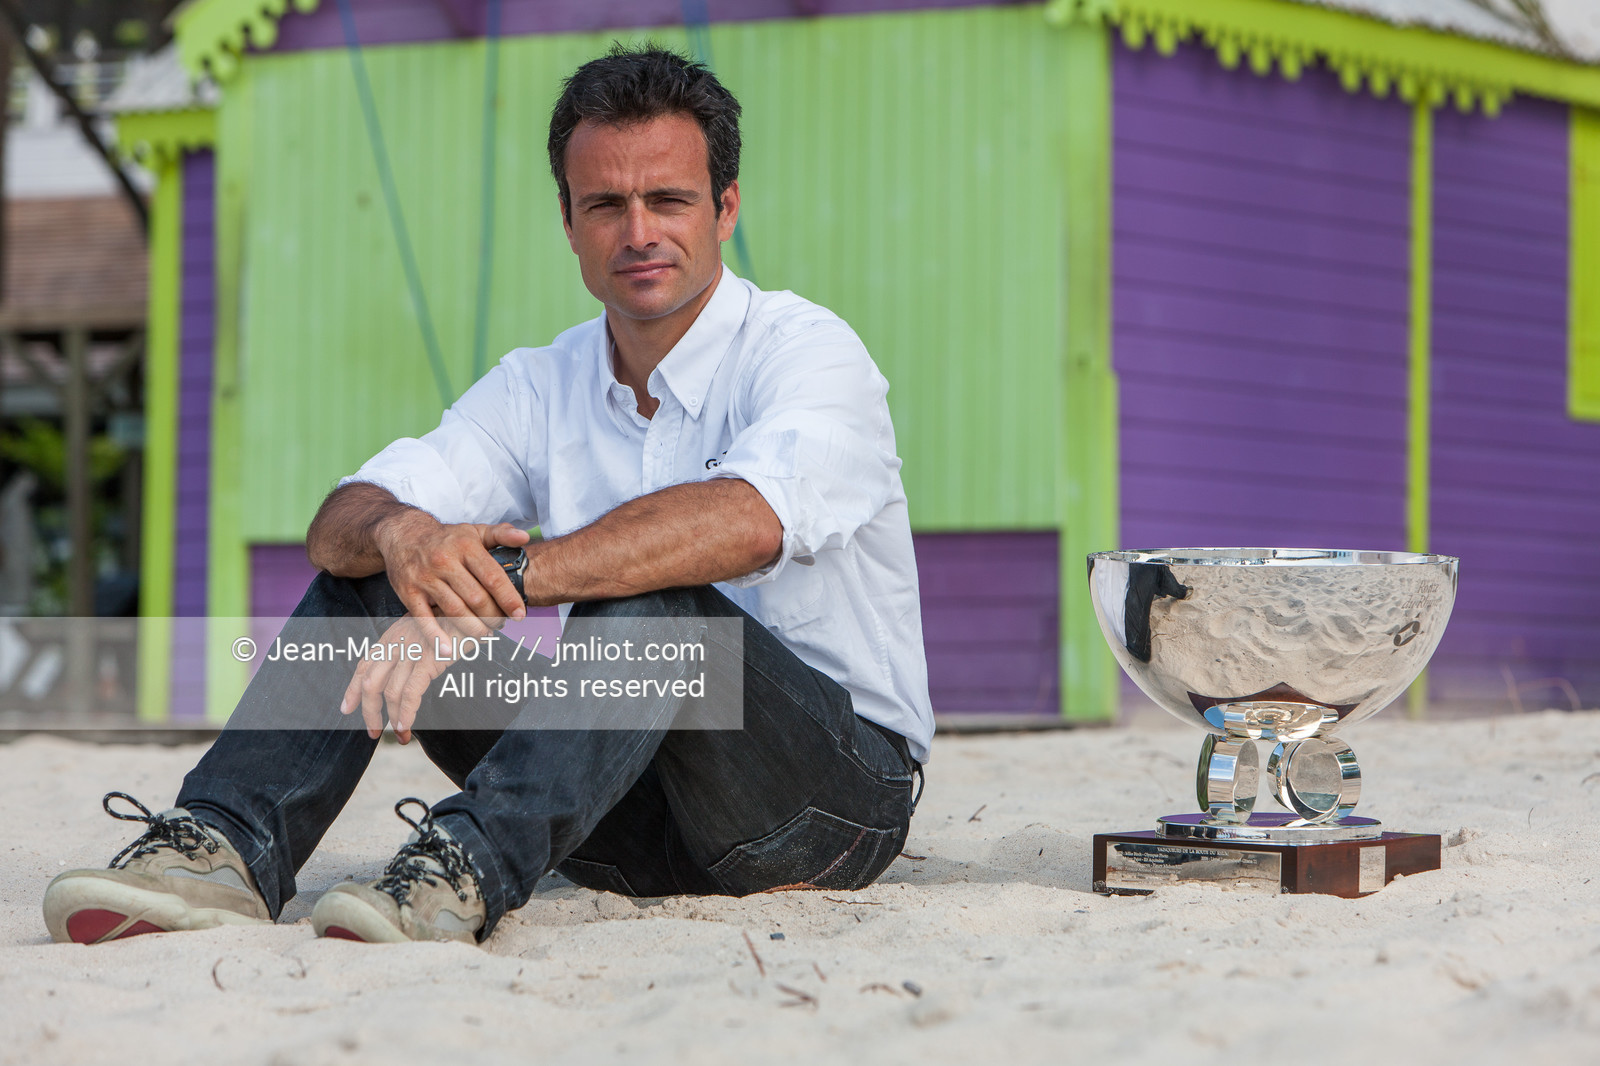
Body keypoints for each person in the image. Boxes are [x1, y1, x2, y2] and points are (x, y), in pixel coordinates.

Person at [43, 44, 931, 947]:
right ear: (568, 219)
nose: (638, 232)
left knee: (660, 602)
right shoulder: (540, 383)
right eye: (605, 205)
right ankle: (225, 845)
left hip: (822, 802)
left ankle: (461, 871)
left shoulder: (808, 352)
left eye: (668, 200)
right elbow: (341, 520)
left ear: (725, 209)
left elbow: (747, 520)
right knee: (385, 569)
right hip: (613, 812)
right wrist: (405, 540)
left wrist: (499, 576)